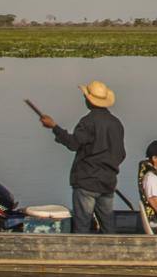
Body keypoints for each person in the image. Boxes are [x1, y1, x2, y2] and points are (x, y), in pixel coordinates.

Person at [37, 80, 126, 234]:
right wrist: (108, 169)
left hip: (87, 182)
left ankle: (81, 255)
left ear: (89, 100)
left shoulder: (88, 122)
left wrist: (54, 127)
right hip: (108, 181)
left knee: (83, 224)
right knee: (108, 224)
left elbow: (73, 144)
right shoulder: (116, 123)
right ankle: (112, 253)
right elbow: (120, 154)